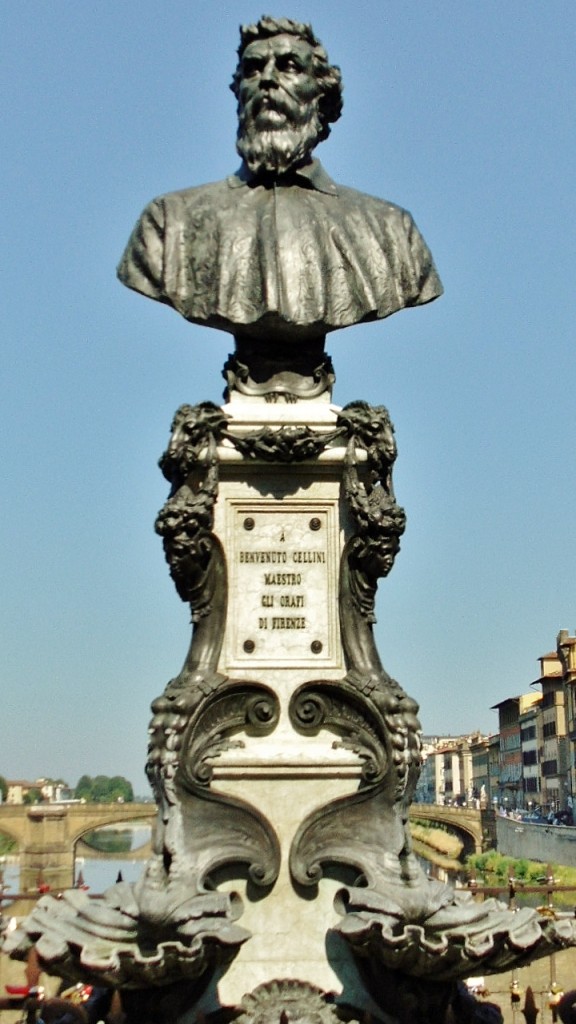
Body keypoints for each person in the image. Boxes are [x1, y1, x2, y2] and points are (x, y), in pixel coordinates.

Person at [118, 17, 442, 389]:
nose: (267, 80)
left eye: (288, 67)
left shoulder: (388, 228)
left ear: (321, 95)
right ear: (238, 91)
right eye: (253, 69)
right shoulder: (170, 221)